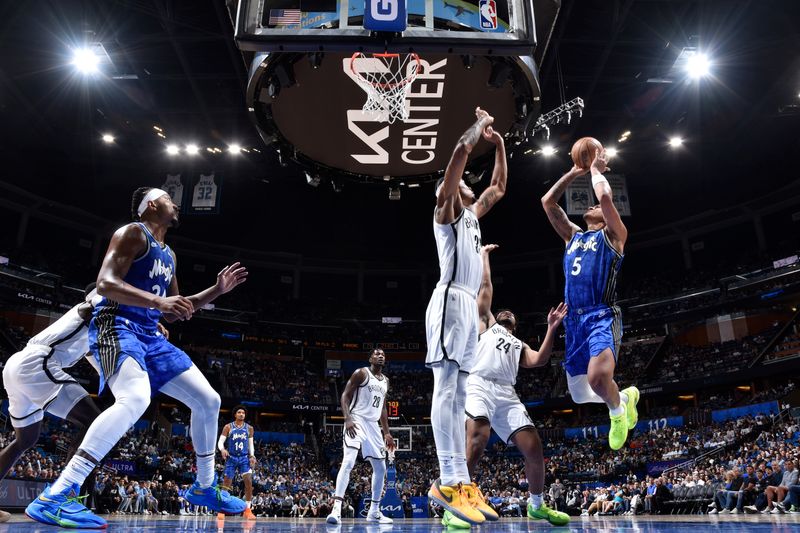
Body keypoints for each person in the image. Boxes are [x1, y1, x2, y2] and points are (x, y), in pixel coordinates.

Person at [26, 187, 248, 528]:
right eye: (170, 199)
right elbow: (105, 283)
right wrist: (158, 303)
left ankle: (204, 487)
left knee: (208, 399)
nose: (176, 204)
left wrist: (216, 290)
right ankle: (58, 493)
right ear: (154, 205)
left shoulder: (169, 254)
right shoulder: (132, 233)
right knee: (136, 398)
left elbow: (176, 311)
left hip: (149, 336)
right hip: (116, 325)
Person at [443, 244, 569, 528]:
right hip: (479, 383)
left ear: (515, 323)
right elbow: (485, 286)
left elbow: (538, 360)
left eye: (512, 313)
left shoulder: (518, 343)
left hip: (507, 394)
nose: (508, 312)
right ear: (497, 317)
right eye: (504, 311)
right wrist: (485, 256)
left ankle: (536, 506)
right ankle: (456, 504)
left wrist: (551, 328)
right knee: (477, 438)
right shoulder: (486, 324)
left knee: (534, 448)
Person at [425, 107, 507, 526]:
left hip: (467, 308)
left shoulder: (474, 216)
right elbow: (458, 150)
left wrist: (500, 144)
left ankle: (461, 480)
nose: (458, 185)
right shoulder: (447, 211)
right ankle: (446, 479)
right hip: (447, 302)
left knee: (459, 395)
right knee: (445, 388)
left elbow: (498, 185)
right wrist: (478, 126)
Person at [540, 150, 639, 450]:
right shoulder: (573, 236)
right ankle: (624, 397)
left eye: (597, 205)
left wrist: (596, 171)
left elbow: (606, 200)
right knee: (579, 395)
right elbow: (548, 202)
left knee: (597, 379)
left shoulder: (614, 235)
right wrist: (574, 171)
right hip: (575, 322)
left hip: (601, 316)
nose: (594, 205)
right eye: (592, 204)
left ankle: (617, 412)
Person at [0, 285, 105, 522]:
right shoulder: (90, 307)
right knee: (95, 421)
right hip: (38, 362)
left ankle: (61, 498)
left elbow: (100, 364)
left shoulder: (91, 333)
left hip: (18, 366)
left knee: (24, 440)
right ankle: (60, 498)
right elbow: (107, 298)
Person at [326, 349, 395, 524]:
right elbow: (345, 396)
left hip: (373, 425)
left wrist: (386, 432)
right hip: (356, 418)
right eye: (377, 354)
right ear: (370, 358)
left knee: (381, 468)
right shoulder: (361, 373)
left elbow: (383, 408)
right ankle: (336, 510)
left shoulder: (385, 381)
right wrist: (347, 418)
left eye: (383, 355)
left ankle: (374, 511)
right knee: (348, 461)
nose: (381, 356)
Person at [217, 406, 257, 519]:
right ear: (235, 414)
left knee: (249, 481)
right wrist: (222, 449)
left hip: (244, 458)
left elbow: (251, 445)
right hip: (231, 457)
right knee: (226, 484)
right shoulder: (228, 427)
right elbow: (220, 442)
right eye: (239, 412)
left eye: (243, 413)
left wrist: (252, 455)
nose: (241, 414)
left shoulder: (249, 428)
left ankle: (248, 510)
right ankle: (221, 510)